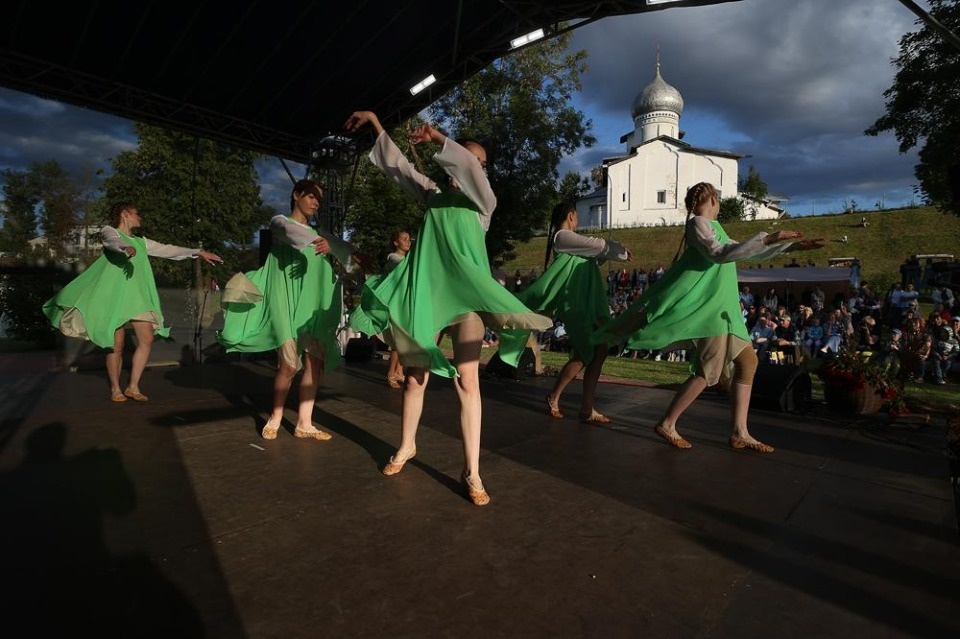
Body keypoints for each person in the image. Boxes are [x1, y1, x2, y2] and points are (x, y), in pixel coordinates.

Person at [343, 110, 550, 506]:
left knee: (468, 382)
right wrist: (374, 121)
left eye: (481, 164)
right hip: (428, 299)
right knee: (415, 377)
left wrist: (439, 138)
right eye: (472, 160)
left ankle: (471, 470)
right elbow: (398, 168)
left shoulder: (483, 205)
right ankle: (407, 446)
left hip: (466, 305)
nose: (476, 167)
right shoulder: (434, 197)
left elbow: (474, 174)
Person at [593, 182, 823, 452]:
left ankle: (740, 432)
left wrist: (792, 246)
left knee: (748, 362)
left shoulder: (717, 229)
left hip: (727, 313)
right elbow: (720, 254)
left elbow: (742, 249)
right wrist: (770, 237)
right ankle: (668, 422)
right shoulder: (698, 224)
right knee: (707, 373)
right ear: (713, 199)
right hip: (712, 312)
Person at [218, 179, 367, 442]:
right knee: (288, 365)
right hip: (286, 303)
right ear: (296, 195)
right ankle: (275, 417)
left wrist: (352, 256)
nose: (316, 203)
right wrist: (317, 240)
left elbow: (349, 256)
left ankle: (304, 423)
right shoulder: (279, 222)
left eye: (319, 199)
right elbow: (291, 230)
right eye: (311, 197)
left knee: (315, 364)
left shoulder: (324, 235)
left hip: (313, 306)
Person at [42, 201, 223, 402]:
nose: (140, 217)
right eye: (137, 213)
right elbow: (111, 241)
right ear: (126, 214)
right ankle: (115, 389)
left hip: (138, 299)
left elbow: (168, 250)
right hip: (116, 298)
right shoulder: (110, 231)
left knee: (146, 340)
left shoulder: (142, 242)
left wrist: (197, 252)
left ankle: (133, 386)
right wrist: (124, 247)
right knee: (116, 345)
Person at [497, 200, 631, 424]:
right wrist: (620, 251)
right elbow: (597, 245)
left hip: (590, 301)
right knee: (587, 352)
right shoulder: (562, 237)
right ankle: (559, 398)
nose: (577, 221)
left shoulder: (573, 243)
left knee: (597, 351)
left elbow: (593, 258)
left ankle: (583, 406)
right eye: (576, 216)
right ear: (570, 216)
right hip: (575, 305)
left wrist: (610, 253)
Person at [383, 230, 412, 389]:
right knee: (397, 342)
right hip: (395, 305)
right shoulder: (394, 259)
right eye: (404, 239)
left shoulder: (405, 260)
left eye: (409, 239)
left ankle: (399, 371)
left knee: (403, 340)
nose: (408, 241)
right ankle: (391, 373)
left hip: (403, 304)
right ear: (396, 243)